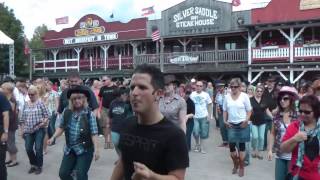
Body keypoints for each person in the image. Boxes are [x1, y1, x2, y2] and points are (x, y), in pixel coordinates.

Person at [110, 64, 189, 180]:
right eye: (132, 88)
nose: (134, 93)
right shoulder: (127, 124)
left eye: (142, 87)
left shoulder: (175, 135)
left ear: (158, 94)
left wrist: (152, 176)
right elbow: (123, 162)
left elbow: (178, 178)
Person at [47, 85, 100, 180]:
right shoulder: (66, 112)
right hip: (70, 148)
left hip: (85, 149)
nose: (77, 101)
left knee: (81, 175)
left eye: (79, 98)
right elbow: (61, 127)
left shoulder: (89, 115)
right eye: (74, 99)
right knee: (63, 174)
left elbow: (94, 133)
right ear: (71, 100)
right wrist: (53, 137)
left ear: (84, 99)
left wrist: (97, 149)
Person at [281, 95, 320, 180]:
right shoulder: (294, 126)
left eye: (307, 112)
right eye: (300, 111)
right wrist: (294, 139)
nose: (302, 114)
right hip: (297, 174)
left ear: (316, 111)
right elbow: (283, 149)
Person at [267, 86, 299, 180]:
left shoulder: (298, 116)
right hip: (280, 155)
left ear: (291, 100)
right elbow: (273, 133)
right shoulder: (277, 116)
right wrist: (269, 149)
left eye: (285, 98)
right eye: (280, 98)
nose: (282, 101)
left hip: (294, 156)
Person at [223, 78, 252, 177]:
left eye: (235, 87)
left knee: (242, 147)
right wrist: (224, 121)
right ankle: (235, 163)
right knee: (232, 148)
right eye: (232, 87)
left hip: (242, 124)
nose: (233, 89)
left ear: (239, 87)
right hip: (231, 124)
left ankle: (241, 166)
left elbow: (249, 110)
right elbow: (225, 110)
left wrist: (246, 120)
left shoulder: (244, 96)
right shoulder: (227, 97)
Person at [20, 85, 49, 175]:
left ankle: (39, 166)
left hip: (39, 128)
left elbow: (47, 115)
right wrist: (22, 130)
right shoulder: (26, 104)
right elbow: (22, 119)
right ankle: (33, 164)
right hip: (28, 129)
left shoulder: (40, 103)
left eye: (32, 94)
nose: (30, 96)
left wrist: (43, 122)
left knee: (38, 148)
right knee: (28, 148)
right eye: (29, 94)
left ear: (36, 94)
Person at [250, 85, 272, 159]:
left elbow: (267, 110)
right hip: (253, 121)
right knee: (255, 137)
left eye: (260, 91)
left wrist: (272, 117)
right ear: (255, 91)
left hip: (262, 121)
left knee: (262, 137)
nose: (259, 92)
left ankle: (259, 152)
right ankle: (254, 150)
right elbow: (249, 111)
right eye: (258, 91)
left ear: (262, 92)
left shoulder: (264, 100)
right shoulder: (251, 99)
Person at [190, 80, 212, 153]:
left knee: (203, 133)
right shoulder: (192, 94)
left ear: (202, 87)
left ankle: (202, 147)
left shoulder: (206, 94)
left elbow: (209, 104)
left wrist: (209, 115)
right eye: (197, 85)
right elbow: (189, 105)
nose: (198, 87)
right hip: (195, 116)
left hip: (204, 116)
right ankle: (197, 144)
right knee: (196, 132)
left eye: (200, 86)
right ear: (195, 86)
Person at [108, 87, 131, 155]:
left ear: (124, 94)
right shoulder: (113, 103)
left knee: (125, 145)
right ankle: (120, 157)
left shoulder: (128, 103)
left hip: (126, 128)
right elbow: (110, 115)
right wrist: (109, 125)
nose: (118, 98)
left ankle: (124, 158)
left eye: (119, 96)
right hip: (115, 128)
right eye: (116, 97)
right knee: (116, 143)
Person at [1, 83, 19, 167]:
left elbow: (11, 112)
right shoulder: (7, 98)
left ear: (8, 90)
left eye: (2, 88)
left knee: (10, 142)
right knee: (8, 142)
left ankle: (14, 160)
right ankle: (11, 158)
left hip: (11, 124)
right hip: (10, 123)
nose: (1, 89)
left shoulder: (11, 99)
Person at [98, 75, 117, 149]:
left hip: (113, 109)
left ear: (110, 79)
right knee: (105, 126)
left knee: (112, 126)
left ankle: (111, 142)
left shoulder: (115, 88)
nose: (103, 82)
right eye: (102, 80)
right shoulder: (102, 89)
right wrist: (99, 109)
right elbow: (99, 98)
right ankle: (106, 142)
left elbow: (119, 98)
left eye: (104, 80)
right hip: (104, 109)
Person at [0, 91, 10, 180]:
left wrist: (5, 132)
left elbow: (6, 115)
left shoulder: (1, 97)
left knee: (0, 161)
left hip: (0, 131)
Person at [215, 80, 228, 147]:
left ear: (223, 86)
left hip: (227, 111)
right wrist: (217, 111)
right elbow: (217, 102)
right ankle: (224, 141)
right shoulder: (218, 94)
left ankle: (230, 142)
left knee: (227, 126)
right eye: (218, 87)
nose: (219, 88)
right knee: (222, 126)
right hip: (220, 110)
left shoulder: (227, 93)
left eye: (221, 87)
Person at [184, 87, 195, 151]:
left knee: (187, 134)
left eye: (188, 93)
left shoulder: (191, 102)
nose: (186, 95)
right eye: (186, 93)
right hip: (180, 120)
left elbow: (193, 113)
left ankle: (187, 148)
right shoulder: (179, 101)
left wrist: (187, 116)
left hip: (189, 121)